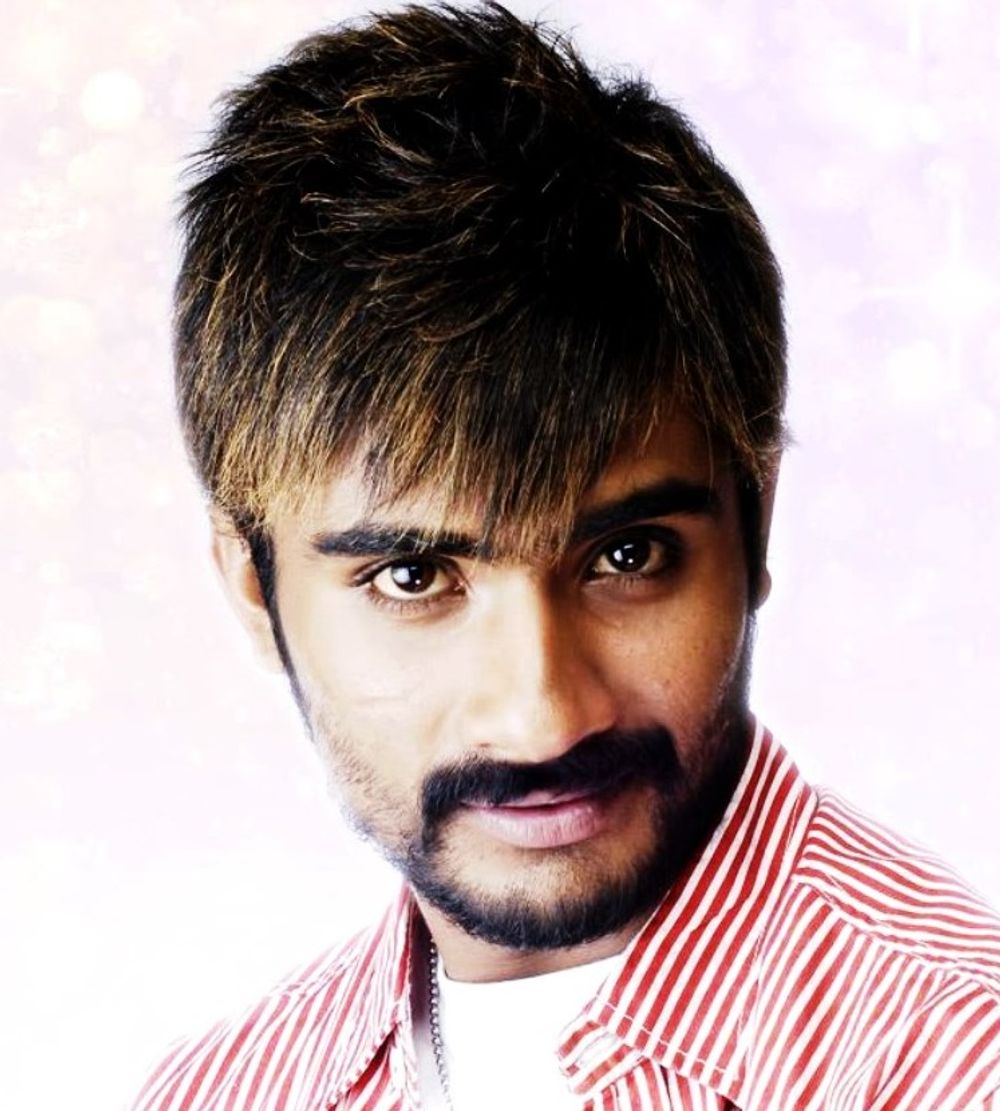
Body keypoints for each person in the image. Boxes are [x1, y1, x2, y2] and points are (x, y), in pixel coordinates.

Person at [131, 4, 1000, 1108]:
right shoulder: (220, 1092)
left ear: (756, 525)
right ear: (256, 590)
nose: (543, 717)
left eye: (626, 555)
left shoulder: (958, 1061)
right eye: (414, 577)